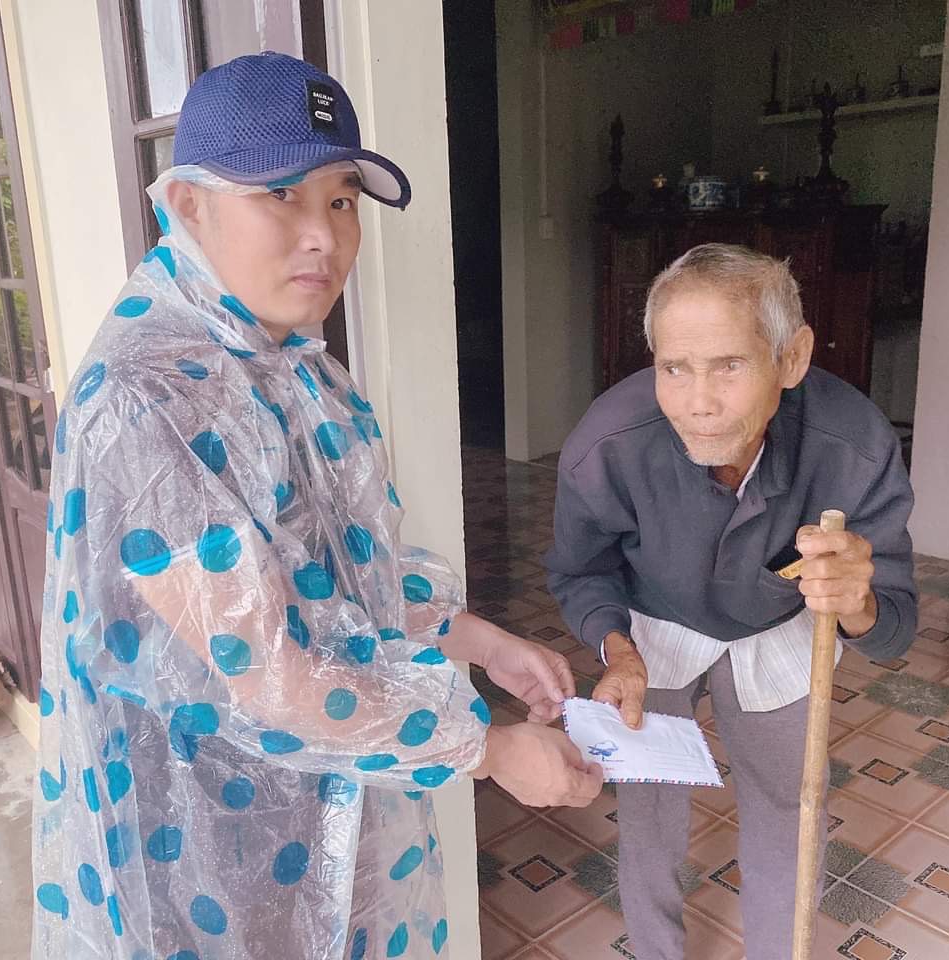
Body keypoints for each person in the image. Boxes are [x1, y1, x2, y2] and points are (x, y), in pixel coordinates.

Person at [31, 52, 602, 960]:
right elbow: (270, 675)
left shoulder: (296, 370)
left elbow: (349, 584)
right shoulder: (148, 400)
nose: (322, 237)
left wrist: (487, 644)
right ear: (187, 204)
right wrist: (489, 751)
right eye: (280, 196)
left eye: (340, 201)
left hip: (326, 809)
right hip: (205, 844)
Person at [545, 243, 916, 960]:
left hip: (778, 631)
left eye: (730, 366)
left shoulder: (855, 446)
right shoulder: (609, 443)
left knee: (788, 807)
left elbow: (896, 628)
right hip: (654, 628)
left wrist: (857, 603)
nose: (699, 403)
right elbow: (579, 569)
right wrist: (615, 647)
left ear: (792, 358)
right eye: (675, 368)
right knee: (649, 812)